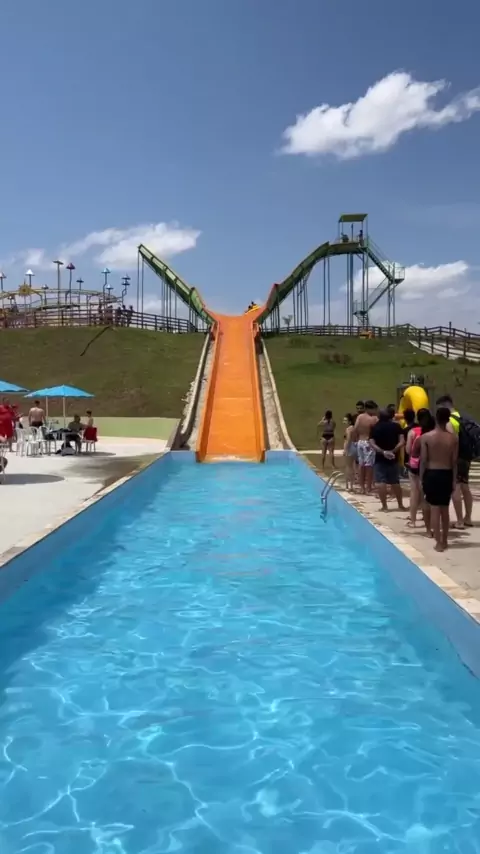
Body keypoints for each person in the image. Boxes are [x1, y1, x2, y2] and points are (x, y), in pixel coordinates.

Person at [421, 406, 458, 552]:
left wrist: (421, 478)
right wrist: (454, 480)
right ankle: (445, 540)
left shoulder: (426, 437)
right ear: (448, 420)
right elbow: (454, 462)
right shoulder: (453, 438)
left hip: (431, 473)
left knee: (435, 509)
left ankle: (438, 542)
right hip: (446, 474)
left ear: (436, 418)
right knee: (445, 509)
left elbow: (424, 460)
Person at [436, 394, 474, 529]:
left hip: (456, 458)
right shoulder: (462, 417)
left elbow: (452, 440)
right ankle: (468, 518)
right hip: (466, 456)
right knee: (465, 487)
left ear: (444, 406)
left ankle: (459, 521)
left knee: (456, 488)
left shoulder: (450, 421)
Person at [370, 409, 406, 512]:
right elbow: (402, 441)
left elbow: (372, 443)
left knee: (381, 482)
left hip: (380, 458)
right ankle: (400, 505)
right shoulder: (396, 426)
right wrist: (393, 451)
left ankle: (384, 506)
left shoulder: (375, 427)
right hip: (393, 458)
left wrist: (383, 452)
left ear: (379, 417)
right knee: (395, 482)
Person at [406, 408, 435, 530]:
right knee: (428, 495)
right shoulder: (435, 433)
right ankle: (430, 520)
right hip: (431, 466)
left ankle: (413, 520)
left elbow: (409, 450)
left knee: (415, 493)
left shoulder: (413, 432)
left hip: (416, 466)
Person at [352, 400, 378, 494]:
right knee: (369, 466)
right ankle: (368, 487)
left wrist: (355, 440)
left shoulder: (359, 417)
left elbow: (355, 429)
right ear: (369, 409)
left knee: (361, 464)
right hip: (368, 443)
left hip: (360, 442)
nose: (375, 411)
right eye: (374, 409)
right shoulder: (374, 418)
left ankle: (362, 487)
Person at [343, 413, 356, 491]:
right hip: (354, 446)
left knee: (348, 467)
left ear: (349, 421)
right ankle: (351, 485)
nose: (344, 422)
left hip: (349, 447)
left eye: (345, 420)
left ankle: (348, 485)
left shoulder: (348, 429)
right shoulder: (354, 428)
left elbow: (348, 439)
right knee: (352, 466)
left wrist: (345, 449)